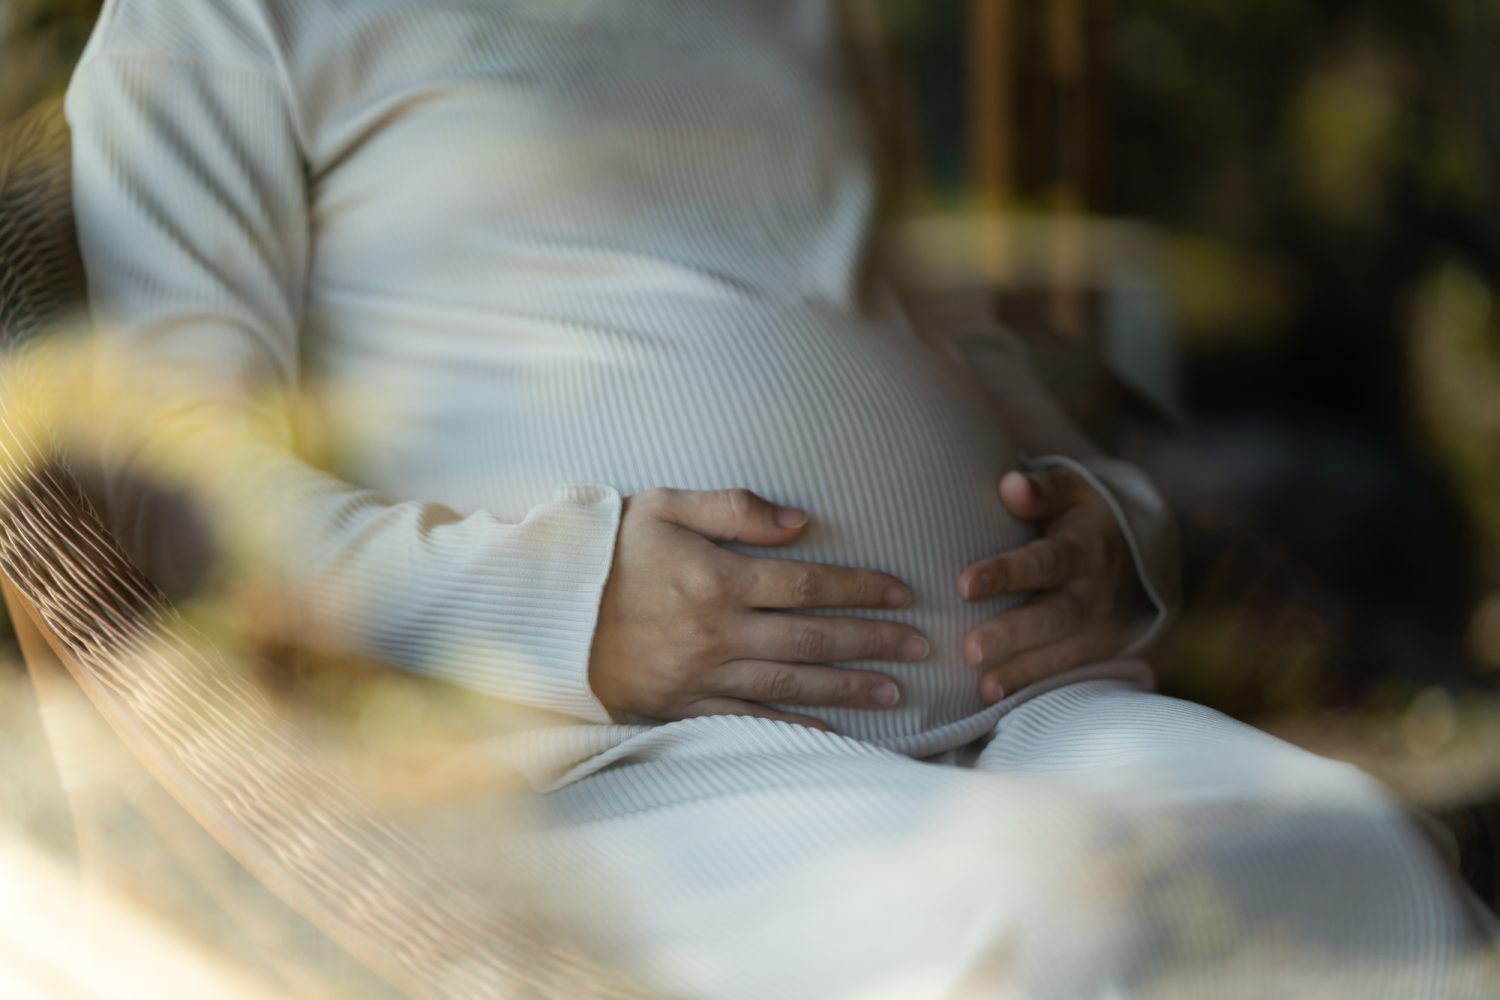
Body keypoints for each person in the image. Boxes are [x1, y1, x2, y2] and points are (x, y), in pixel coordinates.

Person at [63, 0, 1490, 995]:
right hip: (615, 764)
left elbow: (941, 328)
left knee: (1344, 847)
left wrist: (1118, 528)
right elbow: (175, 478)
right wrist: (571, 610)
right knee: (1056, 911)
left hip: (1044, 715)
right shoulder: (217, 13)